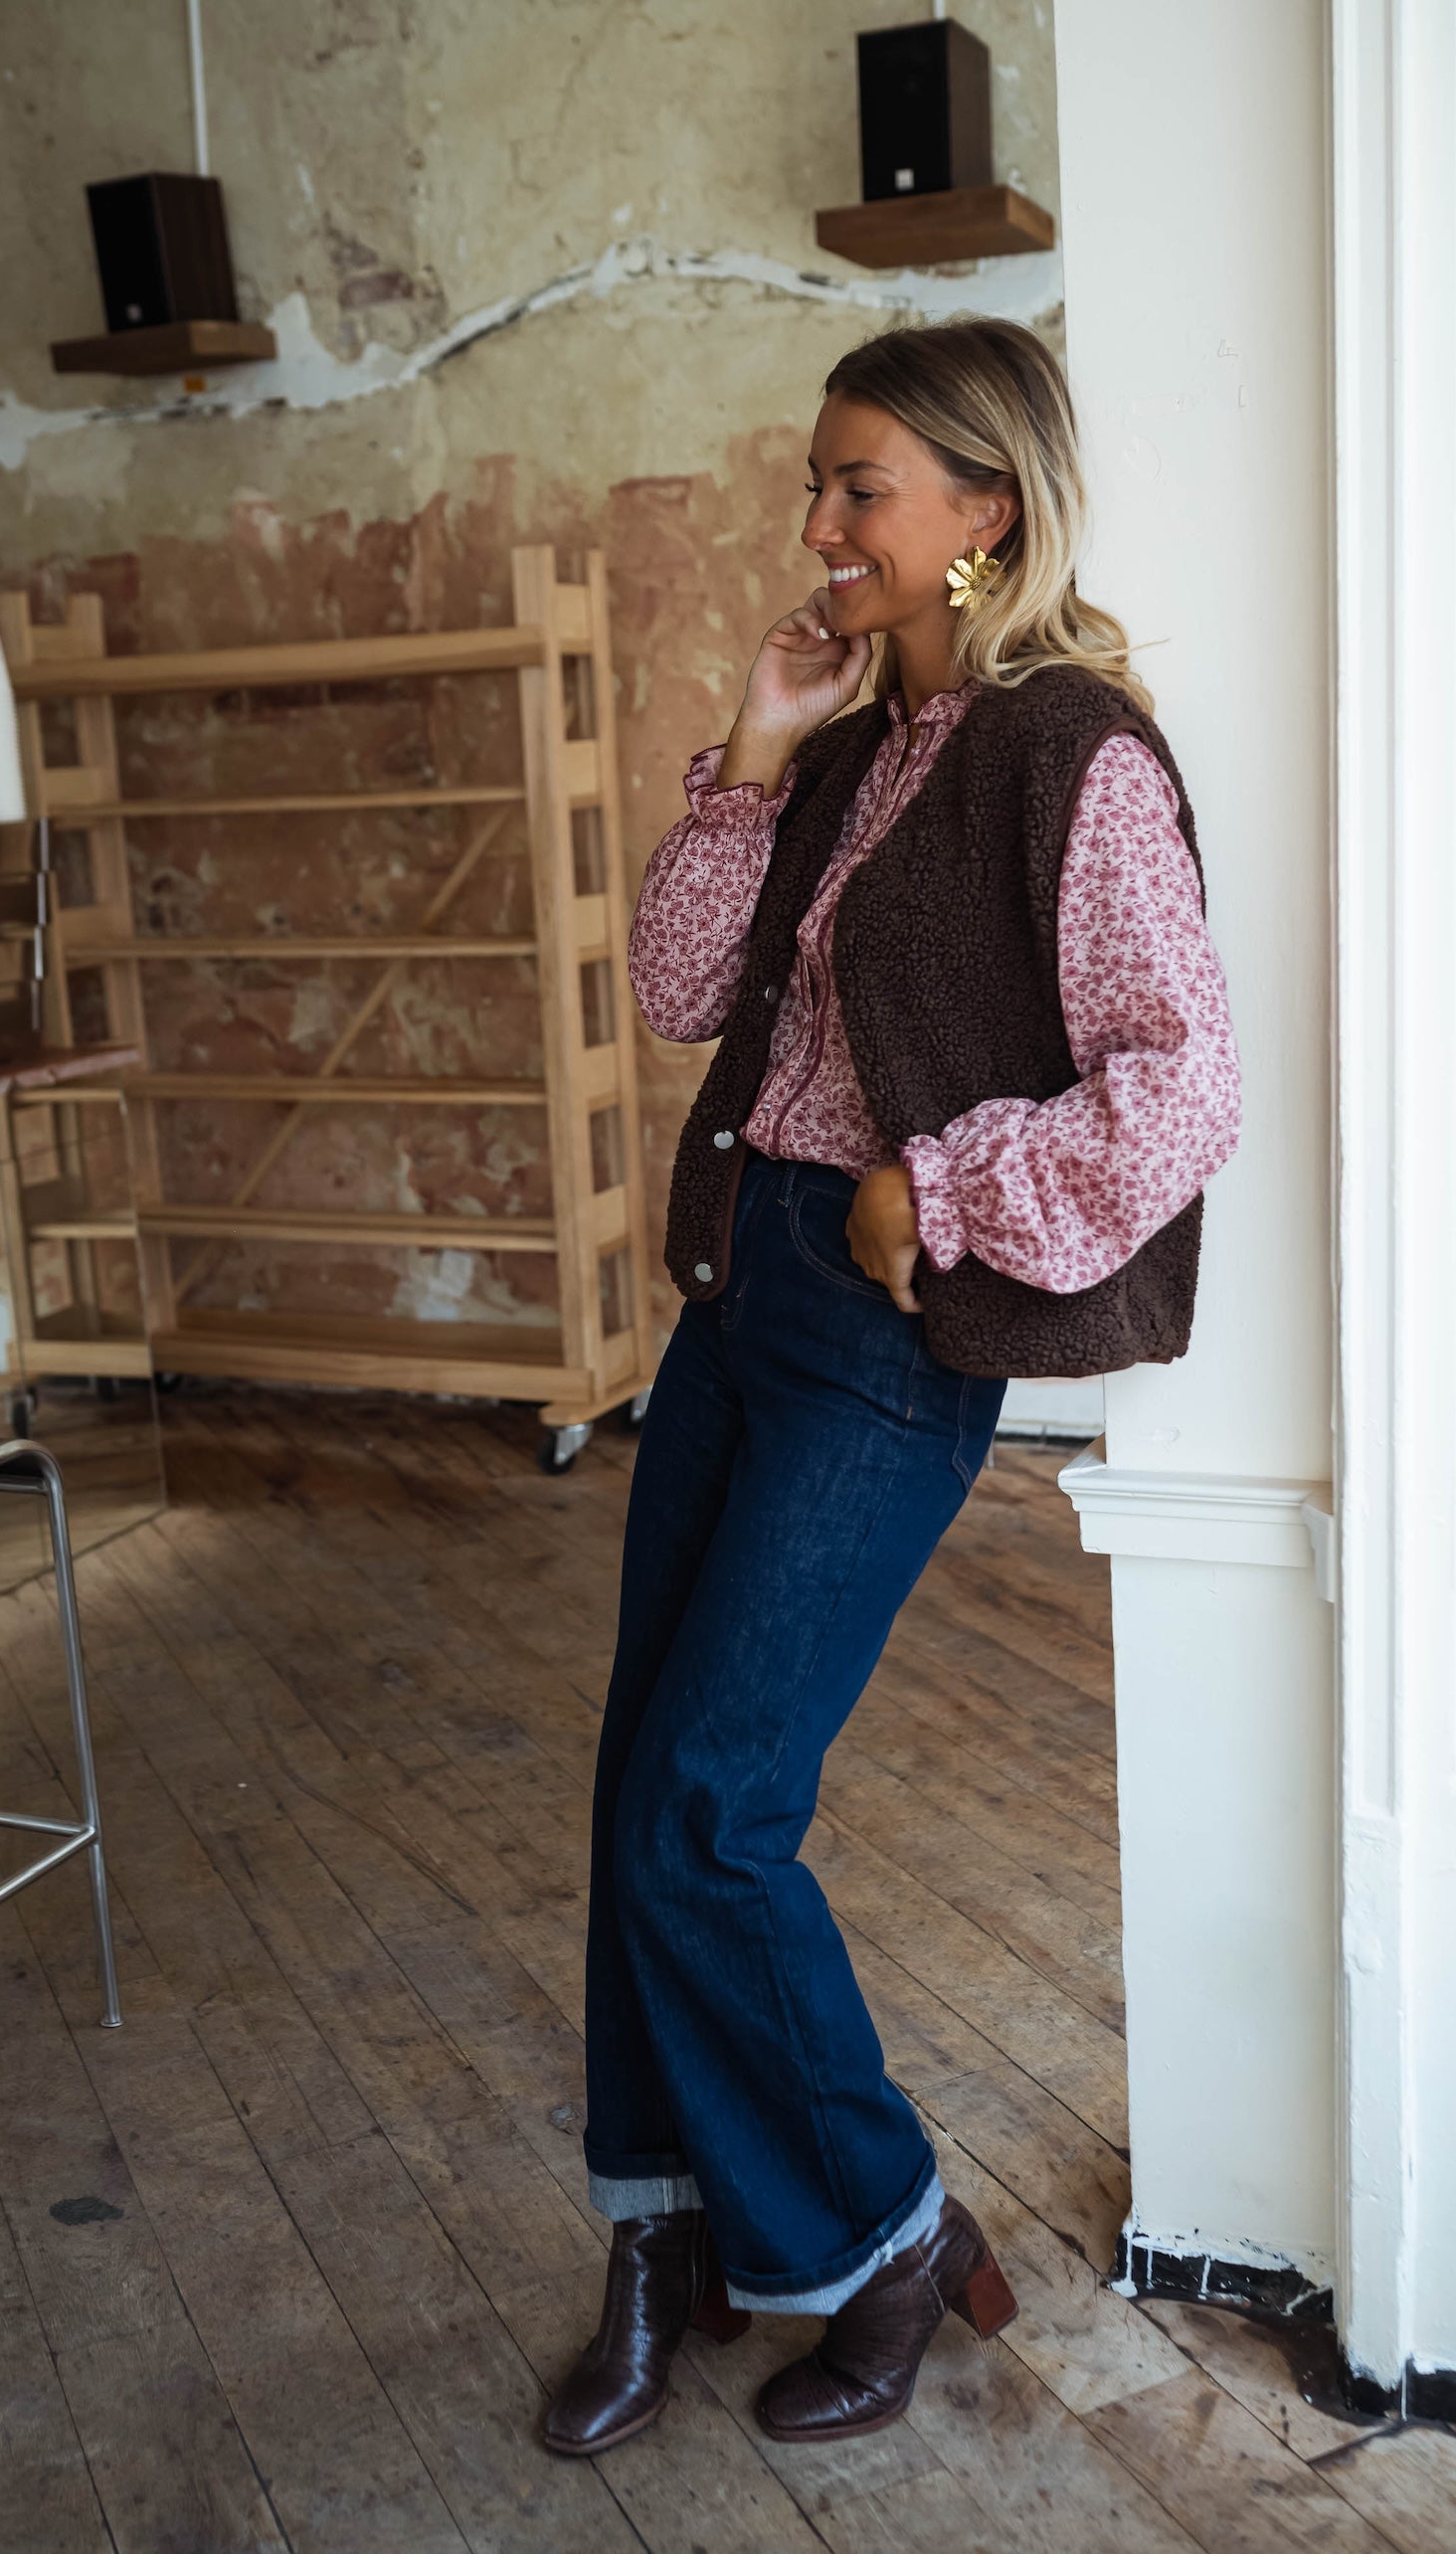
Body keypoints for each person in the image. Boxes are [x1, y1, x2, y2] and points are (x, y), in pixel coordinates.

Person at [543, 317, 1241, 2459]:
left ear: (981, 513)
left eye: (861, 486)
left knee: (708, 1814)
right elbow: (684, 999)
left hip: (884, 1330)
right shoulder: (848, 752)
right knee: (639, 1790)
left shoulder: (1073, 751)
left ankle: (877, 2228)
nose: (818, 524)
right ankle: (662, 2228)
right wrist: (753, 749)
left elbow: (1180, 1086)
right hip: (735, 1288)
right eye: (816, 483)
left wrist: (936, 1186)